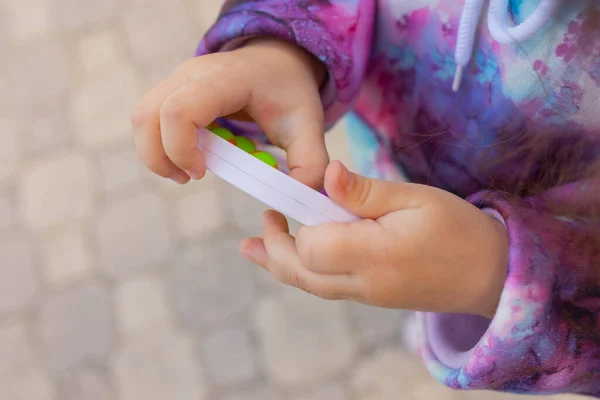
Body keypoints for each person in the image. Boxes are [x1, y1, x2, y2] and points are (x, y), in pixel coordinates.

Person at [131, 0, 600, 396]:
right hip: (387, 155)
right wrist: (279, 48)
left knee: (438, 293)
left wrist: (497, 276)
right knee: (415, 283)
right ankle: (425, 303)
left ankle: (439, 303)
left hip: (543, 258)